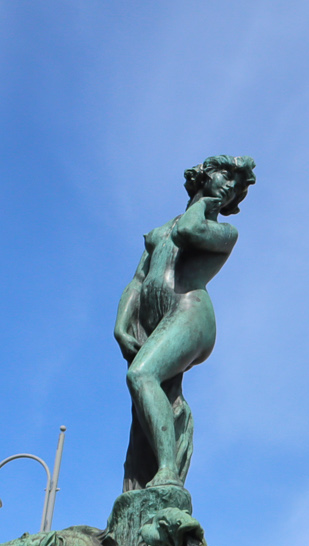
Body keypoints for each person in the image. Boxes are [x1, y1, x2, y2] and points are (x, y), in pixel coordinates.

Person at [113, 155, 257, 491]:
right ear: (204, 175)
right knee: (150, 399)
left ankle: (168, 472)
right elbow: (137, 280)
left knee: (141, 375)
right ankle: (150, 472)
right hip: (157, 319)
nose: (230, 189)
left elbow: (189, 230)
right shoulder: (158, 232)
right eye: (226, 177)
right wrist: (121, 325)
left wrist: (204, 203)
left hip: (190, 313)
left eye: (237, 188)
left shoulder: (225, 232)